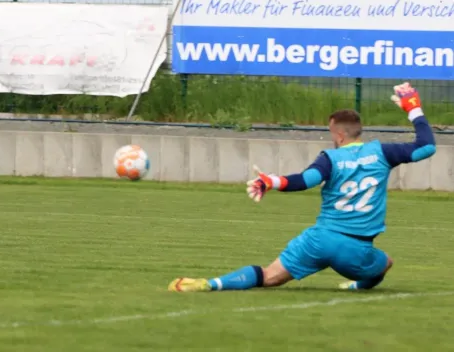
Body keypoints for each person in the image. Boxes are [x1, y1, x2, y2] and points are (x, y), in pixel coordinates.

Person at [168, 82, 436, 292]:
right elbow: (426, 146)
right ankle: (355, 285)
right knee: (384, 263)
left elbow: (305, 180)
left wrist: (270, 181)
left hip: (319, 240)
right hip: (357, 249)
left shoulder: (330, 158)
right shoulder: (382, 153)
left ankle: (210, 284)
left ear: (339, 134)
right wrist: (414, 108)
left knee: (269, 276)